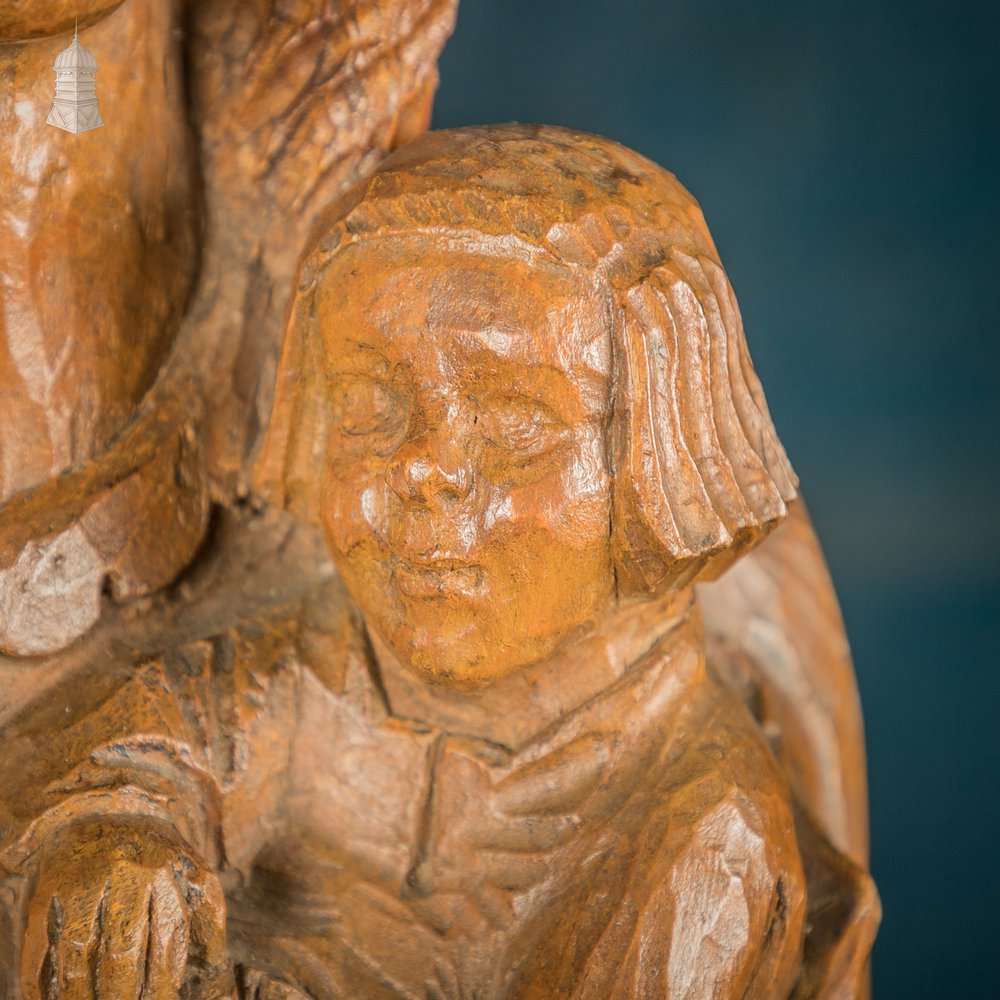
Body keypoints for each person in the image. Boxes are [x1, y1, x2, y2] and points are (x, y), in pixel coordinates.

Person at [1, 125, 876, 999]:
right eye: (371, 408)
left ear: (660, 468)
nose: (423, 471)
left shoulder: (698, 854)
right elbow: (153, 735)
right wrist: (118, 836)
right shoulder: (325, 664)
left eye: (517, 423)